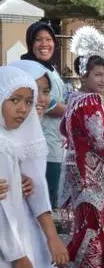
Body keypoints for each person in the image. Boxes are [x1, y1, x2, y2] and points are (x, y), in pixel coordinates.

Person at [0, 66, 75, 268]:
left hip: (26, 239)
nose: (24, 107)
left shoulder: (28, 133)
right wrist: (17, 255)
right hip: (9, 246)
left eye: (28, 100)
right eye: (14, 99)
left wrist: (51, 236)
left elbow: (39, 190)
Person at [58, 26, 104, 268]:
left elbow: (63, 129)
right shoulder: (92, 101)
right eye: (98, 74)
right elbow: (102, 142)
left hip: (73, 163)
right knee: (95, 219)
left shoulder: (74, 98)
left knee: (84, 216)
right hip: (90, 168)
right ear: (85, 74)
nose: (103, 80)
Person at [20, 21, 66, 210]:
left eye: (48, 39)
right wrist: (72, 110)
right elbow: (43, 103)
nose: (44, 44)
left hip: (55, 143)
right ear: (30, 43)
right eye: (38, 39)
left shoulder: (49, 68)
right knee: (39, 204)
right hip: (40, 144)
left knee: (49, 199)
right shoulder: (28, 67)